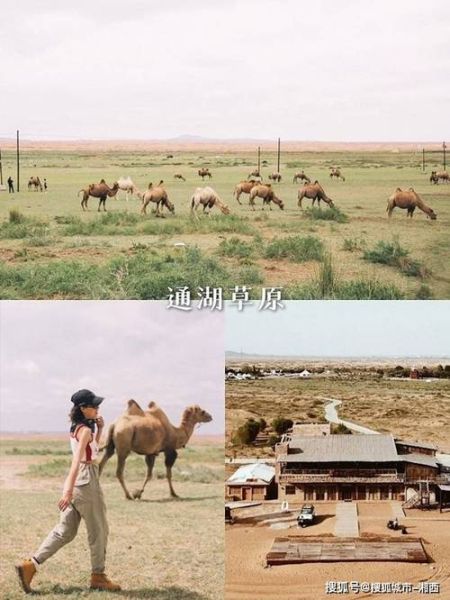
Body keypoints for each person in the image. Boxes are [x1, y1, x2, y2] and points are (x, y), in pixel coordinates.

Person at [15, 389, 121, 593]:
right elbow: (78, 460)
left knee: (65, 531)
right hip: (86, 480)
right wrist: (67, 491)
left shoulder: (79, 428)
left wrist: (100, 430)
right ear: (83, 408)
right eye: (94, 405)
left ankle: (30, 566)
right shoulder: (85, 430)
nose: (98, 408)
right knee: (99, 529)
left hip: (77, 480)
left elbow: (92, 450)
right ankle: (98, 576)